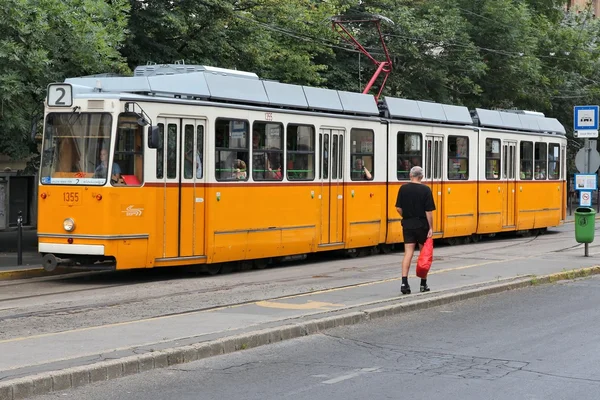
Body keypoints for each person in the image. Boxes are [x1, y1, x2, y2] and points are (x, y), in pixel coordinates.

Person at [395, 166, 436, 294]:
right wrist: (431, 227)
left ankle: (404, 283)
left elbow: (398, 208)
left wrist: (406, 216)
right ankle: (423, 284)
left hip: (407, 224)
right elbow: (428, 212)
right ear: (421, 177)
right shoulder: (426, 190)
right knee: (423, 254)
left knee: (408, 253)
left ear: (410, 175)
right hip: (422, 224)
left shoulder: (403, 188)